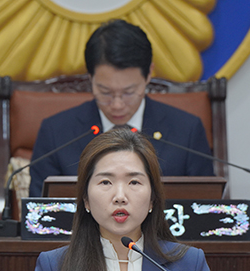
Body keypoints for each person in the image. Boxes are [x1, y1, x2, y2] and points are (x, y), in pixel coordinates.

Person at [26, 126, 218, 271]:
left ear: (153, 199)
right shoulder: (54, 267)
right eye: (105, 182)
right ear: (86, 200)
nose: (120, 196)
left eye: (134, 182)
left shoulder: (188, 265)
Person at [29, 19, 214, 197]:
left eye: (129, 92)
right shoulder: (56, 133)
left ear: (149, 74)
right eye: (105, 92)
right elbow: (38, 214)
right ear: (90, 78)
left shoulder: (187, 131)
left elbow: (207, 209)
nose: (117, 105)